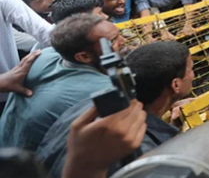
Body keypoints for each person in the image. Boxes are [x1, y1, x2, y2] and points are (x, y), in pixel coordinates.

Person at [36, 41, 194, 177]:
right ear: (176, 85)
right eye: (191, 70)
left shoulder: (86, 108)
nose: (193, 75)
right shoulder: (148, 159)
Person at [0, 14, 122, 152]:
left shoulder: (42, 55)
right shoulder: (104, 90)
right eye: (113, 41)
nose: (123, 41)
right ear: (84, 56)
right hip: (29, 167)